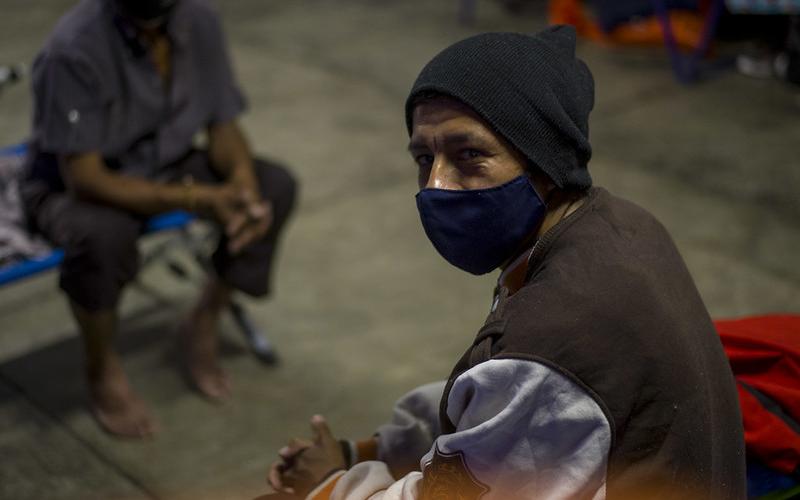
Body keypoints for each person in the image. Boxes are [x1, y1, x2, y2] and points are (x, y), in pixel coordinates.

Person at [264, 26, 746, 499]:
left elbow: (520, 395)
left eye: (469, 154)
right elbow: (499, 403)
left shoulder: (555, 337)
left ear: (547, 161)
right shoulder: (616, 222)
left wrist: (329, 484)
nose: (436, 186)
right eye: (423, 159)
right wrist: (373, 451)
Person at [20, 0, 297, 438]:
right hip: (76, 183)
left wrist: (242, 187)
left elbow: (223, 125)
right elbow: (85, 178)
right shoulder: (72, 50)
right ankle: (101, 367)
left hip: (166, 162)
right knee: (103, 239)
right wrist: (197, 197)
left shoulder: (198, 21)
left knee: (273, 186)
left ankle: (203, 321)